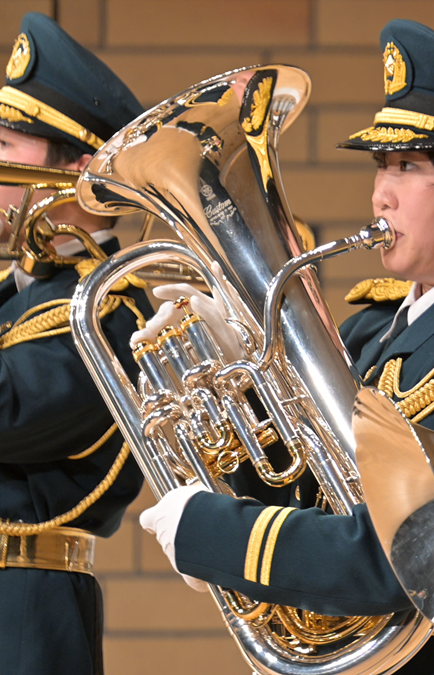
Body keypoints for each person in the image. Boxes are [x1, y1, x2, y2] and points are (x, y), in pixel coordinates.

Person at [137, 19, 434, 675]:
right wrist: (240, 386)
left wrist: (211, 531)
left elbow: (394, 559)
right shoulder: (369, 328)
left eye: (409, 167)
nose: (381, 193)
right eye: (381, 165)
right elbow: (300, 493)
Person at [0, 12, 151, 675]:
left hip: (24, 611)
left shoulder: (107, 309)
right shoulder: (18, 291)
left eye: (6, 147)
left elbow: (7, 411)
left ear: (80, 172)